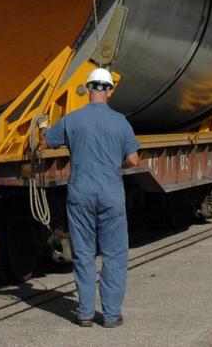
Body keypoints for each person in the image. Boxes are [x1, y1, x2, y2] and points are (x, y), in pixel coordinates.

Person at [41, 66, 139, 328]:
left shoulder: (72, 120)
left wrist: (41, 127)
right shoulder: (121, 122)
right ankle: (111, 315)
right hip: (111, 194)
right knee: (114, 254)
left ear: (87, 89)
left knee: (84, 253)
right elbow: (133, 159)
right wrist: (117, 165)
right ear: (109, 91)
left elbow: (45, 142)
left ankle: (85, 313)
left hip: (80, 194)